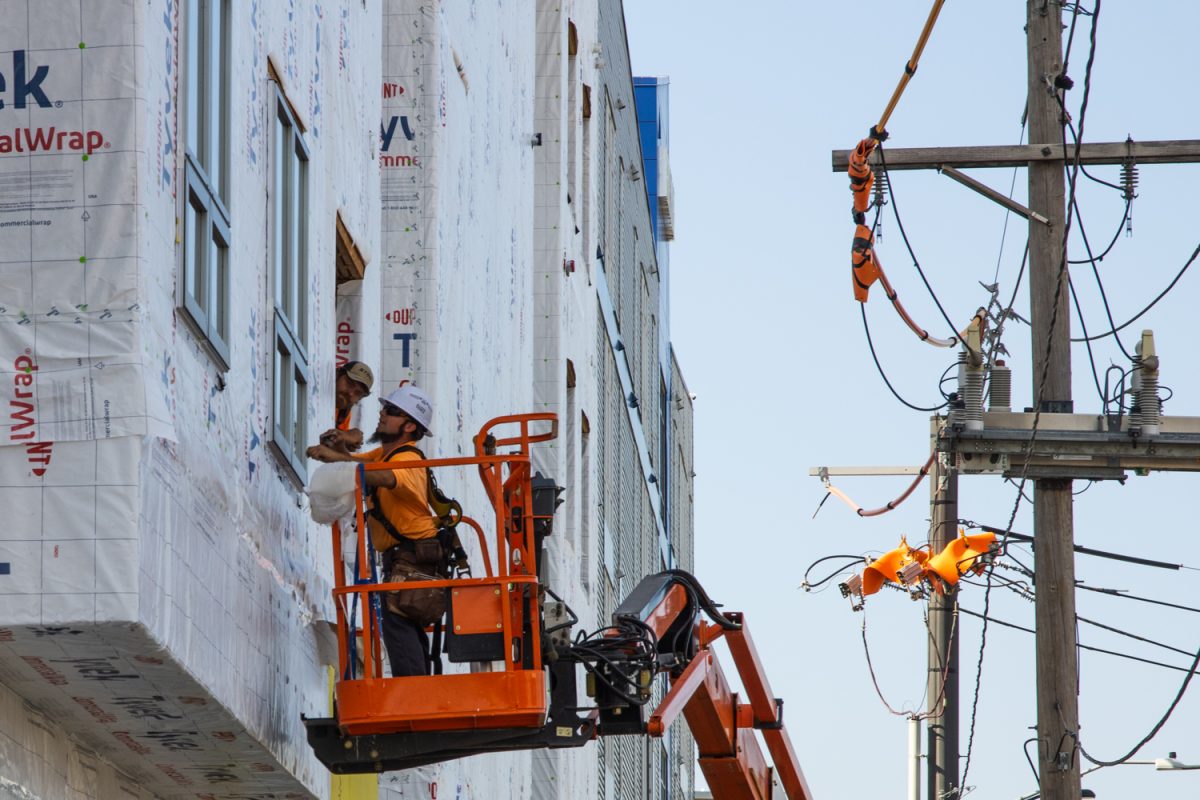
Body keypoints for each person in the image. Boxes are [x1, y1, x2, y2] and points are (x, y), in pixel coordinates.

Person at [307, 384, 441, 677]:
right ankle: (419, 688)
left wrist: (340, 464)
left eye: (391, 411)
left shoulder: (408, 459)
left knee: (398, 619)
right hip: (407, 557)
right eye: (384, 408)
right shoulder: (386, 453)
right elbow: (355, 464)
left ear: (408, 426)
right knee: (403, 619)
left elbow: (384, 477)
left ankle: (413, 691)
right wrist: (336, 452)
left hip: (413, 556)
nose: (382, 414)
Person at [317, 361, 374, 453]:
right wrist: (346, 436)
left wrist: (344, 442)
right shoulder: (316, 387)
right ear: (337, 374)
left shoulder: (342, 414)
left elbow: (322, 443)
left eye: (358, 393)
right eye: (349, 383)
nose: (350, 393)